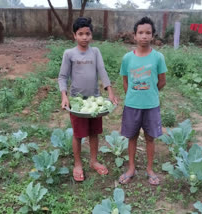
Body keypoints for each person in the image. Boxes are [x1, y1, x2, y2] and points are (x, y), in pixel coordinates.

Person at [58, 17, 118, 182]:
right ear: (74, 35)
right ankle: (77, 164)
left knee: (94, 132)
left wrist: (110, 91)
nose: (84, 37)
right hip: (77, 102)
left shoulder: (95, 52)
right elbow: (62, 77)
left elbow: (102, 71)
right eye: (81, 34)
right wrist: (64, 95)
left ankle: (93, 161)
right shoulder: (69, 54)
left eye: (87, 34)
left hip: (94, 101)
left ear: (91, 35)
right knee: (78, 134)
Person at [118, 17, 167, 185]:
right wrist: (133, 95)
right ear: (134, 36)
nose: (144, 36)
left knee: (150, 138)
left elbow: (162, 81)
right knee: (131, 137)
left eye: (148, 33)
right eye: (141, 33)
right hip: (132, 105)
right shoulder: (127, 58)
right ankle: (131, 168)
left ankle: (149, 169)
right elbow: (125, 82)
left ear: (152, 36)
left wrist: (150, 93)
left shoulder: (158, 57)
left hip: (151, 105)